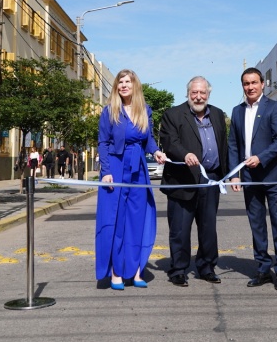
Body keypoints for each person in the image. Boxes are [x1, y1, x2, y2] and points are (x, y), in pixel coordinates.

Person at [96, 69, 166, 290]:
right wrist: (106, 171)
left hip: (139, 170)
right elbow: (103, 144)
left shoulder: (145, 110)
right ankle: (116, 272)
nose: (124, 85)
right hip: (115, 169)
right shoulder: (109, 112)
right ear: (116, 87)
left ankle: (136, 271)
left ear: (135, 86)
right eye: (120, 82)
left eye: (128, 82)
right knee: (116, 221)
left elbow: (148, 140)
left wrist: (156, 152)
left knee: (137, 220)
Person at [160, 76, 228, 287]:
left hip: (211, 180)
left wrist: (228, 175)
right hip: (183, 180)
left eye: (202, 93)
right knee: (180, 229)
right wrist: (185, 154)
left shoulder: (217, 114)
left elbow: (224, 145)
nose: (198, 97)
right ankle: (178, 270)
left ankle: (207, 267)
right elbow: (170, 141)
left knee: (208, 228)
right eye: (194, 93)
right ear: (188, 93)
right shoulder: (173, 114)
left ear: (208, 94)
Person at [227, 67, 277, 291]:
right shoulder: (236, 111)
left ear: (263, 84)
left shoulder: (275, 107)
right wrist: (234, 174)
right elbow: (233, 145)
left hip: (273, 175)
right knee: (257, 225)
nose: (250, 87)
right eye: (246, 83)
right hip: (249, 178)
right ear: (242, 86)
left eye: (254, 82)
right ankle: (263, 268)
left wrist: (260, 158)